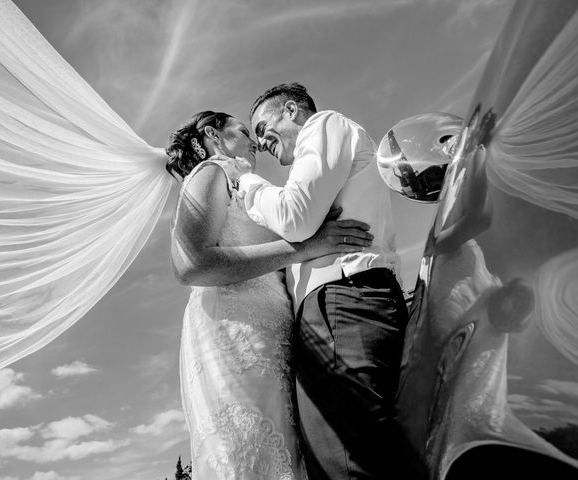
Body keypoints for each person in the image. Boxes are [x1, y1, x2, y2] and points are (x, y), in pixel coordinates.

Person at [167, 110, 375, 479]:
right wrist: (303, 248)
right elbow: (191, 263)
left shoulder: (250, 185)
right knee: (249, 451)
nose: (256, 143)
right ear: (215, 135)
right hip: (234, 335)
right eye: (245, 131)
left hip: (275, 339)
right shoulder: (212, 172)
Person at [222, 83, 412, 479]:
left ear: (291, 110)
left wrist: (246, 182)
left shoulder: (325, 125)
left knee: (346, 459)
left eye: (262, 128)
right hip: (347, 304)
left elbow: (295, 217)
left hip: (341, 302)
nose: (260, 142)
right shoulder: (322, 168)